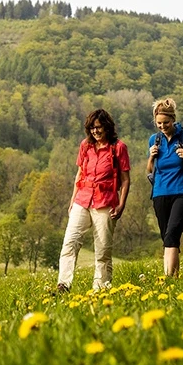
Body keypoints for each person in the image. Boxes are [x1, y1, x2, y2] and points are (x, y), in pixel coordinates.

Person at [56, 109, 131, 293]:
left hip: (106, 202)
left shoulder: (118, 148)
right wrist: (72, 200)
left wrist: (121, 205)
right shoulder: (85, 146)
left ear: (107, 127)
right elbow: (80, 173)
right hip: (82, 199)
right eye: (91, 128)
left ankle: (101, 289)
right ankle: (63, 285)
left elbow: (126, 179)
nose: (95, 131)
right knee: (70, 242)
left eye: (98, 127)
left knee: (103, 249)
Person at [147, 98, 183, 277]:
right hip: (160, 193)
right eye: (159, 123)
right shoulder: (154, 139)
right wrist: (151, 157)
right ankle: (174, 277)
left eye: (166, 122)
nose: (163, 126)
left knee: (172, 235)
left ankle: (169, 280)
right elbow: (150, 170)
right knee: (167, 238)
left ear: (173, 119)